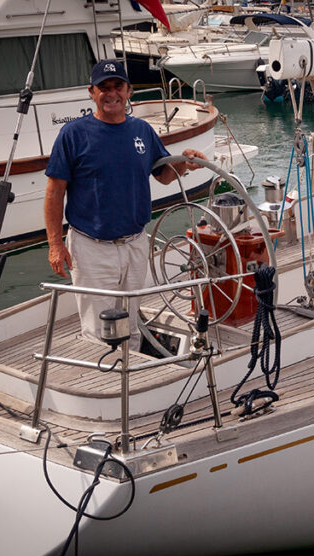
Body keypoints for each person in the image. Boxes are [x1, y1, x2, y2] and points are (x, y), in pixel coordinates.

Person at [44, 59, 206, 349]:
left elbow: (164, 175)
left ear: (129, 91)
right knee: (98, 333)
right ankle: (103, 389)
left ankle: (129, 391)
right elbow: (54, 192)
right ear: (91, 92)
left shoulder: (142, 131)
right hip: (91, 249)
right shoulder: (73, 134)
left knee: (130, 327)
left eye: (117, 86)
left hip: (135, 245)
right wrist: (55, 245)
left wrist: (184, 163)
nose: (111, 93)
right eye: (103, 88)